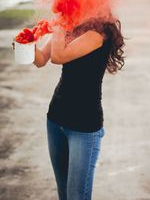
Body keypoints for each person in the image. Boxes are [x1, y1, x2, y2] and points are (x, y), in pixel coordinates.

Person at [33, 16, 125, 200]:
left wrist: (60, 24)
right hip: (55, 119)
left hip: (84, 127)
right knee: (64, 194)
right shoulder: (71, 26)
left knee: (76, 196)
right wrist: (27, 44)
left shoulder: (99, 34)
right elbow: (42, 59)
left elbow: (58, 56)